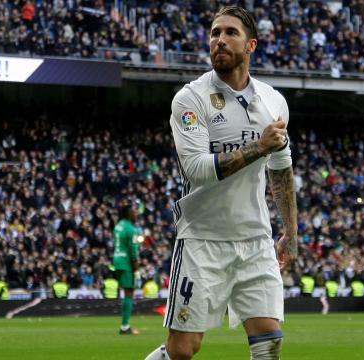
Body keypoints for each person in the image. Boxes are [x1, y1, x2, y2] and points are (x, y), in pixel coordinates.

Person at [145, 6, 297, 360]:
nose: (220, 40)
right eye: (215, 33)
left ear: (251, 45)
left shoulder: (273, 101)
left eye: (230, 33)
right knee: (183, 350)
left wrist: (290, 230)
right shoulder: (191, 98)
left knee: (269, 342)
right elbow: (196, 168)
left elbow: (280, 167)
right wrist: (258, 145)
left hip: (256, 239)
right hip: (202, 238)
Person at [112, 200, 141, 335]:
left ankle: (125, 324)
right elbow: (133, 252)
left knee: (125, 292)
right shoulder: (131, 229)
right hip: (126, 263)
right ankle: (125, 327)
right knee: (129, 292)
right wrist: (137, 270)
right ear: (129, 214)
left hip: (116, 260)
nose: (136, 214)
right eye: (134, 212)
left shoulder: (118, 226)